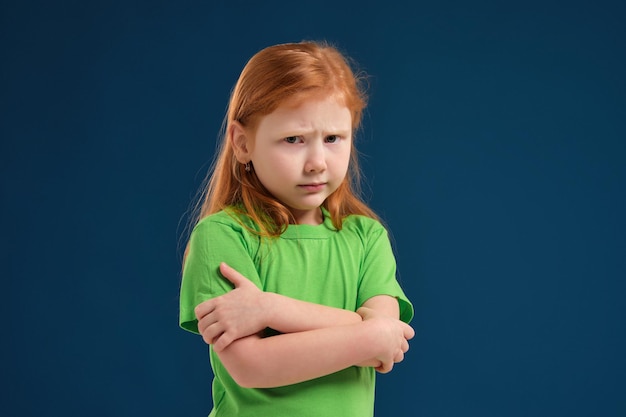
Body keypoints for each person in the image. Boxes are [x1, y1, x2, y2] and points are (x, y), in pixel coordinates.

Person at [179, 40, 415, 417]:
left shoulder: (368, 238)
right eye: (293, 140)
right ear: (242, 143)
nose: (317, 163)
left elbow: (388, 339)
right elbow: (252, 366)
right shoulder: (221, 236)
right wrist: (367, 332)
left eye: (333, 138)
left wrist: (270, 309)